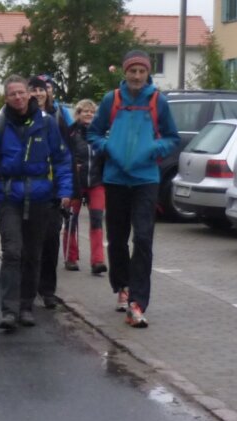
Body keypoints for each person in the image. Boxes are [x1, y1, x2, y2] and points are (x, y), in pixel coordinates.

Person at [88, 49, 180, 328]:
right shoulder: (112, 100)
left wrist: (153, 149)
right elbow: (93, 132)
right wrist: (108, 148)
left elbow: (172, 137)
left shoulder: (157, 101)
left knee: (142, 239)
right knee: (117, 239)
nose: (137, 76)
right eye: (132, 71)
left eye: (141, 71)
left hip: (145, 179)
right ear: (125, 72)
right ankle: (123, 286)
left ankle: (138, 302)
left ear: (148, 73)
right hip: (116, 178)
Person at [0, 75, 72, 332]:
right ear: (6, 98)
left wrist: (65, 190)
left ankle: (26, 305)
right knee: (12, 252)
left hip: (40, 197)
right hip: (9, 197)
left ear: (29, 94)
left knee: (32, 253)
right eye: (12, 94)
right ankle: (9, 310)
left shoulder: (47, 123)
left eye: (21, 93)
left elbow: (62, 159)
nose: (18, 97)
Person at [28, 74, 71, 310]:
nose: (38, 94)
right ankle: (29, 286)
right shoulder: (20, 117)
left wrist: (68, 189)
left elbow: (66, 154)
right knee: (30, 243)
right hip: (28, 190)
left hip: (52, 191)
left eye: (41, 89)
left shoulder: (58, 117)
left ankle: (47, 290)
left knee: (51, 240)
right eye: (33, 90)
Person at [65, 98, 107, 275]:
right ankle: (71, 257)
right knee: (71, 219)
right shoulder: (70, 133)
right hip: (75, 182)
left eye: (92, 112)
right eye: (85, 111)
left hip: (96, 182)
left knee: (97, 219)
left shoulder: (101, 133)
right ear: (78, 114)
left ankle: (98, 261)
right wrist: (72, 166)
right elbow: (63, 155)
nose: (89, 114)